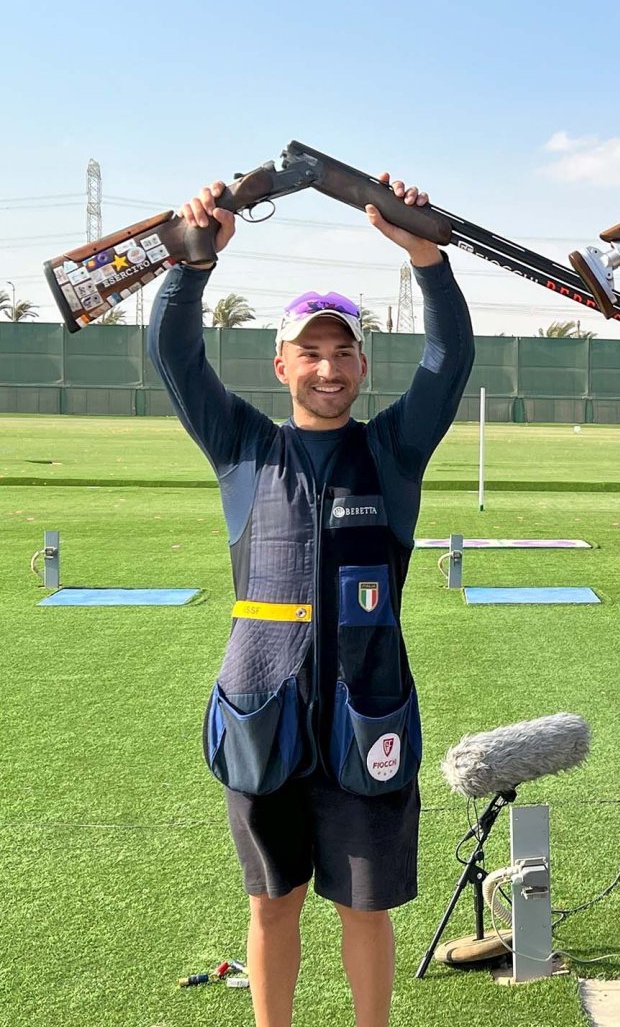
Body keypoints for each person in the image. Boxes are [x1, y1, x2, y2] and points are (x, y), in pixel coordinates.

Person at [148, 175, 474, 1027]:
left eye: (343, 352)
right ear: (281, 362)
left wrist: (426, 257)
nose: (327, 368)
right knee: (272, 903)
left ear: (363, 362)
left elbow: (449, 362)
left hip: (368, 711)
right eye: (311, 351)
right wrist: (194, 263)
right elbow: (176, 358)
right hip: (262, 714)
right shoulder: (243, 448)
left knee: (364, 908)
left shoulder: (394, 451)